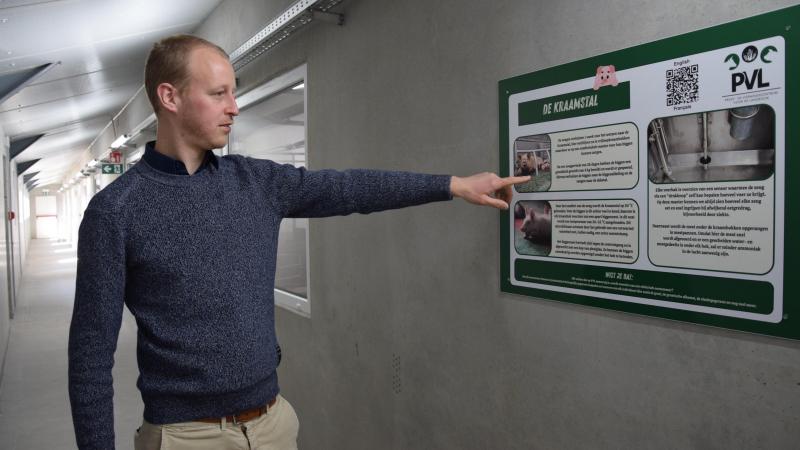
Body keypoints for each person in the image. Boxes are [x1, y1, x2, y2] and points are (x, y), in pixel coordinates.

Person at [67, 34, 529, 450]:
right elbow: (90, 355)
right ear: (169, 96)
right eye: (218, 94)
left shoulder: (255, 183)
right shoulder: (116, 212)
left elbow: (350, 189)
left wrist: (451, 185)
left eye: (234, 91)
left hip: (272, 424)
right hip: (185, 436)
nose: (234, 107)